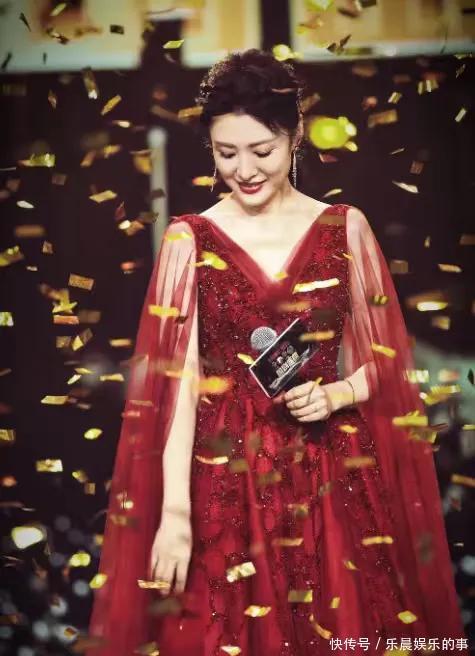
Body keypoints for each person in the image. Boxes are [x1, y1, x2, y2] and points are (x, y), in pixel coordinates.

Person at [86, 49, 468, 656]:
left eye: (261, 151)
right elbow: (180, 383)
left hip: (330, 473)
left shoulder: (345, 227)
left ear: (295, 138)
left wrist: (338, 393)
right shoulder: (189, 239)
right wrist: (176, 513)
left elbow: (389, 361)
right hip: (225, 478)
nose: (244, 170)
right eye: (226, 153)